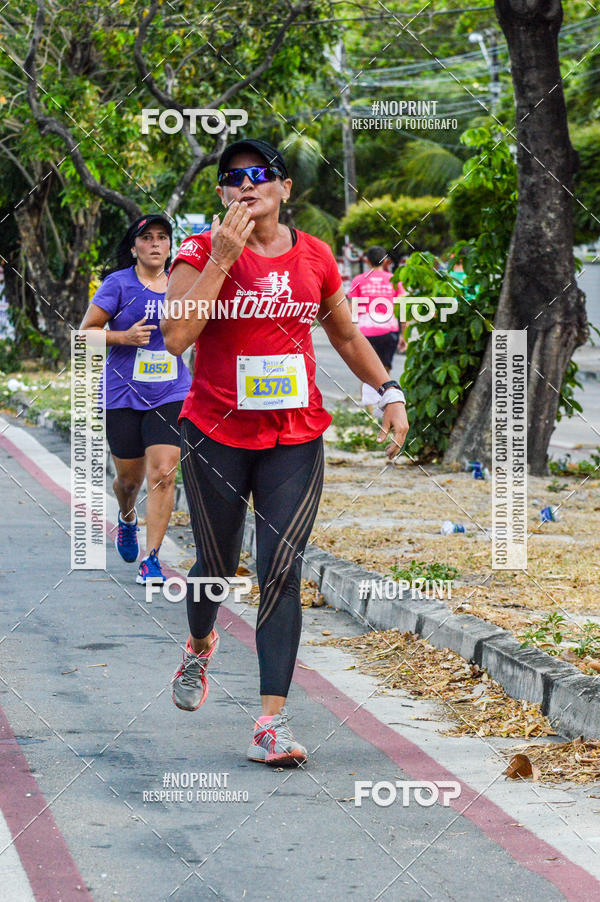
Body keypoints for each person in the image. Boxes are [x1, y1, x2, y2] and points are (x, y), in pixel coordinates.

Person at [162, 138, 409, 767]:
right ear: (220, 194)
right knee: (215, 568)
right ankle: (198, 643)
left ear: (285, 188)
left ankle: (269, 722)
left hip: (294, 437)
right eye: (232, 178)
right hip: (215, 434)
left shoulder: (317, 257)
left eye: (260, 174)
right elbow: (174, 338)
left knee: (280, 568)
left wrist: (388, 390)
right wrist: (223, 258)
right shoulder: (197, 252)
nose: (247, 185)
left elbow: (346, 334)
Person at [80, 214, 192, 584]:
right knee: (129, 481)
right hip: (122, 394)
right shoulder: (118, 284)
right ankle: (127, 516)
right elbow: (86, 335)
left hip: (171, 391)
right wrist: (122, 337)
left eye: (162, 237)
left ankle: (152, 557)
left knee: (163, 473)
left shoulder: (183, 281)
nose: (156, 244)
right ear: (134, 247)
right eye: (147, 238)